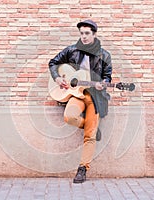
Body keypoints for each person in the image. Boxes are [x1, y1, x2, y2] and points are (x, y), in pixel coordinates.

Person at [48, 19, 112, 183]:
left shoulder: (104, 55)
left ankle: (82, 169)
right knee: (69, 117)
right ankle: (90, 126)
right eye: (81, 33)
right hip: (77, 94)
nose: (83, 37)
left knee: (89, 137)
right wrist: (56, 78)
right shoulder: (72, 50)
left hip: (95, 98)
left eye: (87, 33)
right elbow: (53, 62)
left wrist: (103, 84)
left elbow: (107, 77)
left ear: (94, 34)